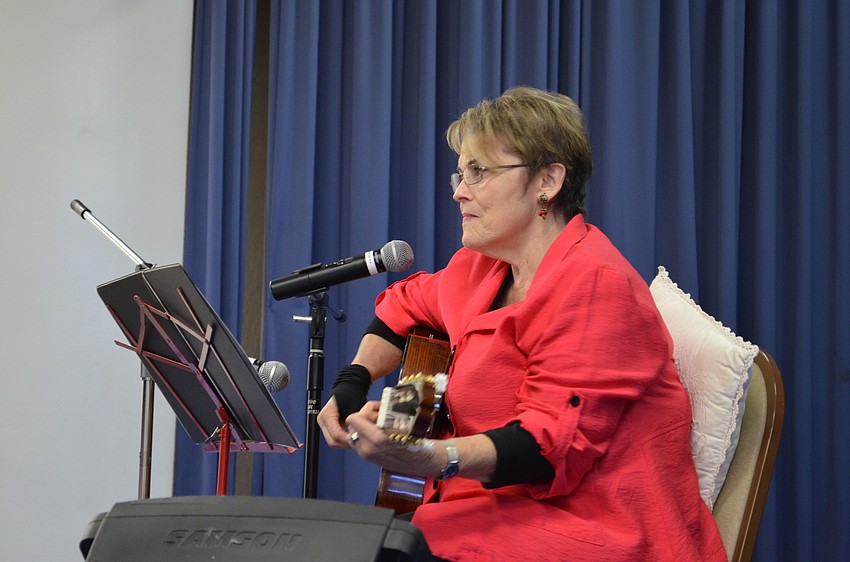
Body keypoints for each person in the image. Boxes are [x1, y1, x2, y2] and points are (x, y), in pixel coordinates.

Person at [317, 86, 726, 561]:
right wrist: (352, 382)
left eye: (479, 172)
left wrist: (428, 457)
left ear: (548, 181)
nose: (458, 190)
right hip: (483, 513)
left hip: (590, 529)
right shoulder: (483, 266)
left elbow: (545, 450)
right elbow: (401, 310)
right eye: (460, 172)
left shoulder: (596, 285)